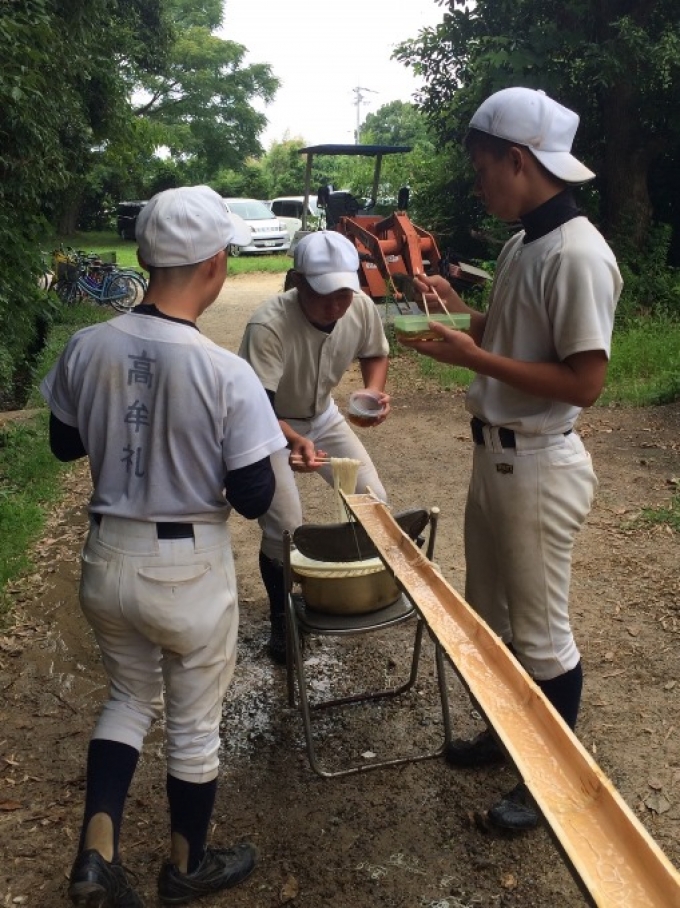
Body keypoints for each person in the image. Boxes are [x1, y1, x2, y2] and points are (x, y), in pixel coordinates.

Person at [40, 185, 287, 907]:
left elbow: (63, 444)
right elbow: (254, 498)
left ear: (147, 260)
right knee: (193, 725)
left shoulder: (87, 345)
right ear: (215, 263)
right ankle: (186, 866)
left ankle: (97, 857)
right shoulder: (225, 371)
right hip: (187, 569)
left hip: (107, 558)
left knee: (127, 697)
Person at [407, 87, 622, 832]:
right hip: (494, 461)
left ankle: (552, 782)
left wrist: (474, 358)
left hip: (537, 463)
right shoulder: (522, 243)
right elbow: (506, 336)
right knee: (492, 617)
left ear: (518, 159)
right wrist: (454, 312)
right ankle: (510, 741)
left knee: (542, 634)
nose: (478, 184)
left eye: (481, 169)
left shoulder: (578, 253)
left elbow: (585, 382)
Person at [238, 230, 391, 664]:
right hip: (267, 423)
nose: (336, 306)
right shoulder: (268, 325)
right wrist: (293, 441)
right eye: (324, 295)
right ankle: (281, 619)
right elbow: (257, 408)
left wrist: (373, 390)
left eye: (344, 294)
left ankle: (351, 592)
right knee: (286, 524)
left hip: (322, 416)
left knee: (373, 500)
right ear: (297, 282)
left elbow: (375, 352)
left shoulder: (359, 307)